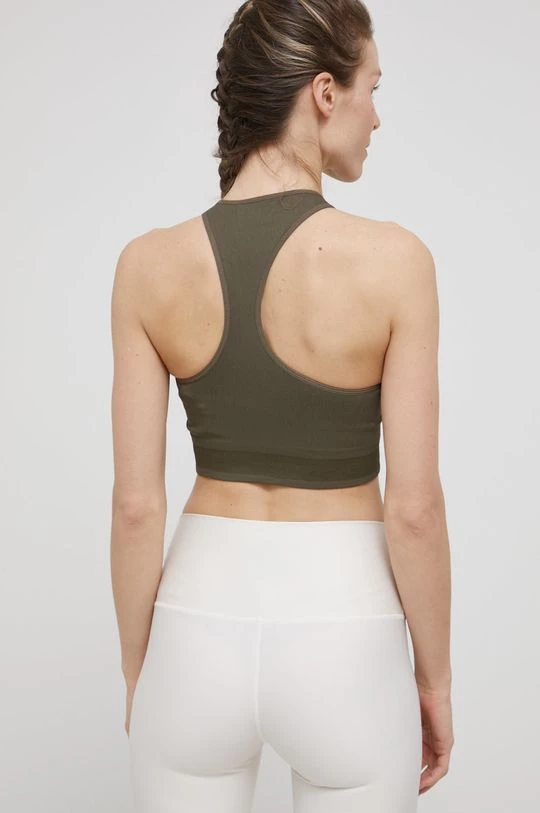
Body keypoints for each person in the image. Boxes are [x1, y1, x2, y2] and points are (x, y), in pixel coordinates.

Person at [110, 1, 453, 810]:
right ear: (325, 93)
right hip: (346, 627)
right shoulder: (396, 262)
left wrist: (140, 674)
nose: (377, 115)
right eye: (372, 88)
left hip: (196, 618)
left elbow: (135, 507)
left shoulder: (146, 265)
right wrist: (433, 679)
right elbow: (413, 511)